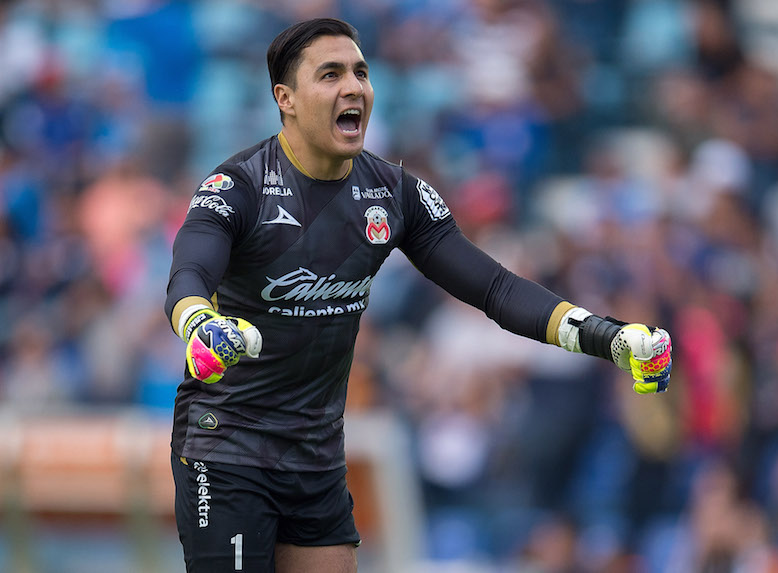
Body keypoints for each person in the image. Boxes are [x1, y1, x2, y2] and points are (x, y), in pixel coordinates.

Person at [164, 17, 672, 573]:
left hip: (314, 453)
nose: (353, 87)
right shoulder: (237, 186)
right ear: (285, 99)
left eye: (360, 73)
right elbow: (188, 273)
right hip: (228, 448)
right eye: (330, 75)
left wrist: (606, 335)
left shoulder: (395, 193)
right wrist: (201, 326)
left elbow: (496, 288)